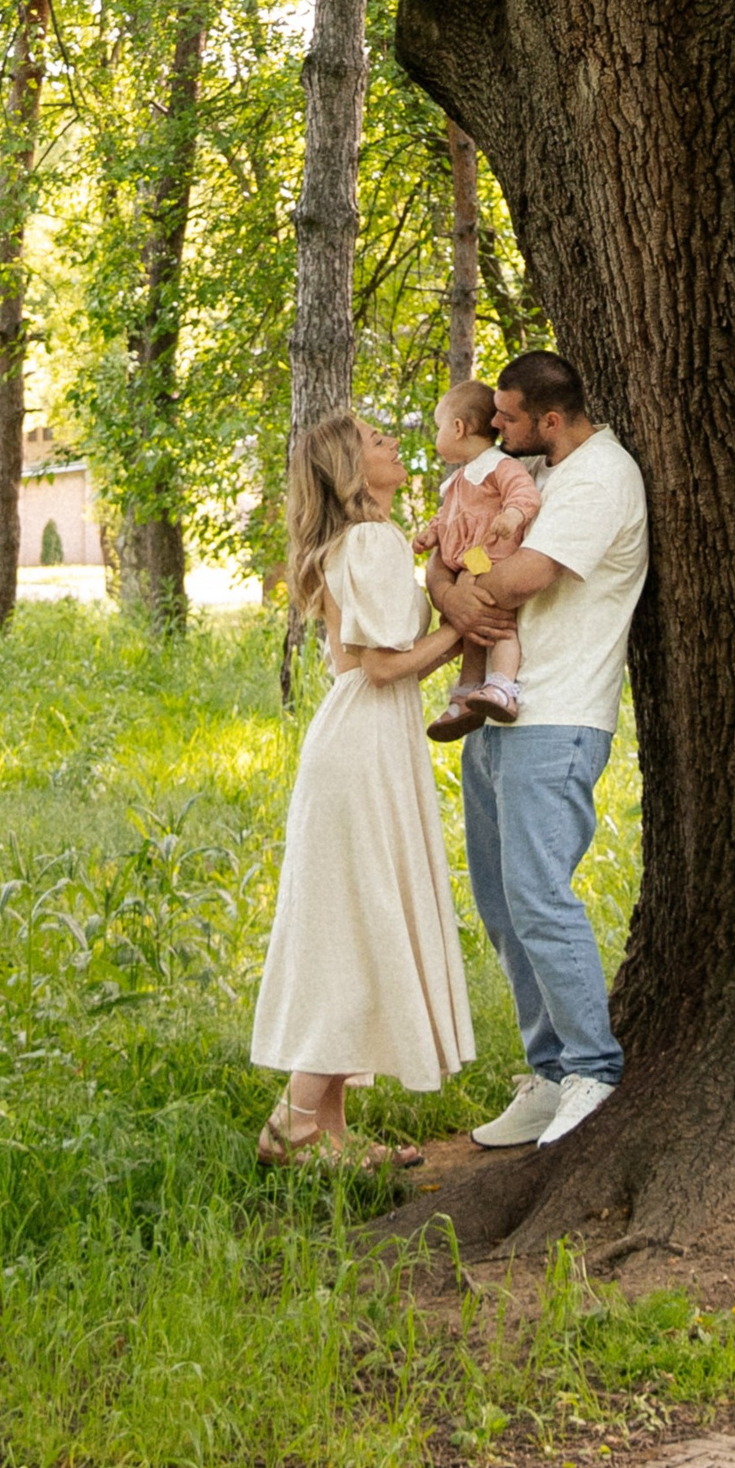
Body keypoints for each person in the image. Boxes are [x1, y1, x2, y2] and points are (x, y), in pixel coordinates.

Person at [425, 348, 646, 1152]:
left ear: (550, 419)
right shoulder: (539, 474)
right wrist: (448, 588)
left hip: (557, 717)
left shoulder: (599, 478)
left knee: (540, 898)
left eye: (509, 418)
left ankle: (593, 1068)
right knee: (501, 903)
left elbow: (525, 576)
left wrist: (457, 588)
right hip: (499, 713)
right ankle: (549, 1070)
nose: (496, 426)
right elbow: (457, 556)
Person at [250, 407, 476, 1164]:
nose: (393, 445)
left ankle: (329, 1136)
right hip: (365, 741)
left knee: (348, 924)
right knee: (359, 924)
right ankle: (292, 1119)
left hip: (351, 741)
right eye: (377, 441)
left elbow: (353, 663)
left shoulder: (350, 543)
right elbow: (380, 665)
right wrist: (464, 632)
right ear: (353, 469)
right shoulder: (372, 540)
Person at [418, 376, 543, 741]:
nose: (437, 435)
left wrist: (513, 516)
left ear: (458, 428)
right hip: (469, 564)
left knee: (497, 620)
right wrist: (432, 533)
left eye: (439, 427)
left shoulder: (499, 467)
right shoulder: (458, 481)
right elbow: (448, 517)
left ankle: (503, 686)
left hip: (494, 558)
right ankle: (468, 693)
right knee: (474, 628)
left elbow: (526, 495)